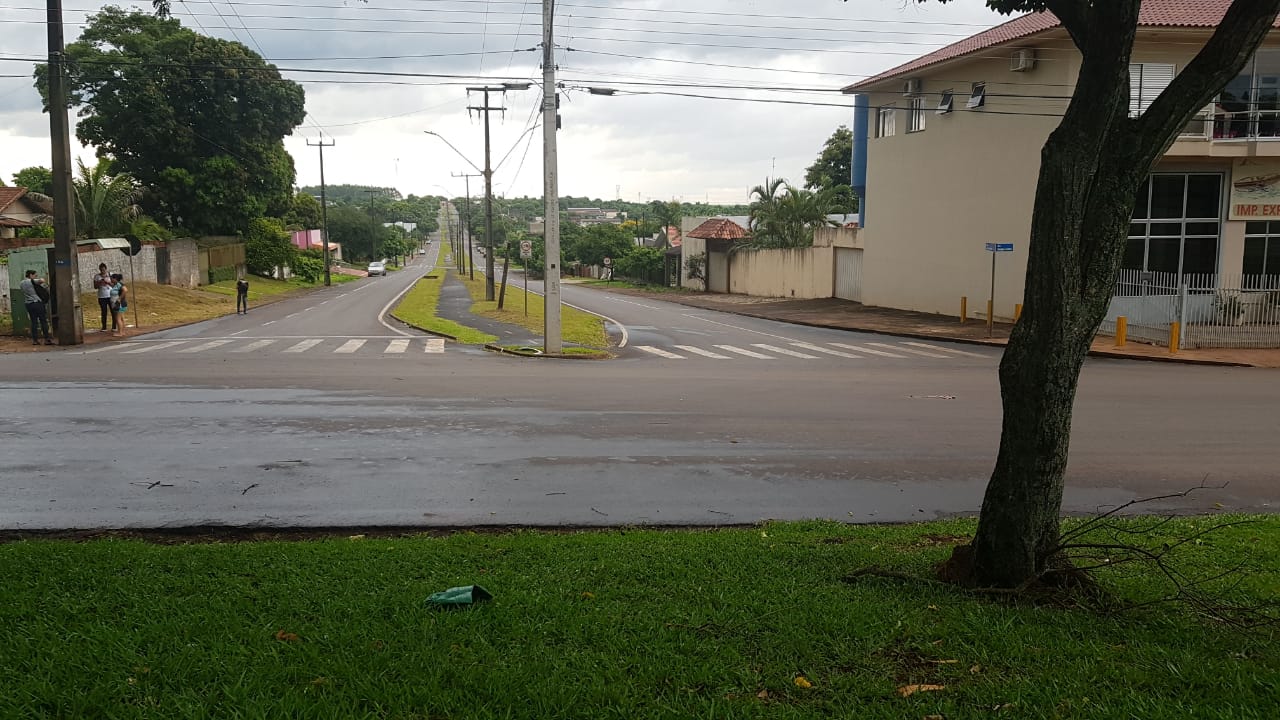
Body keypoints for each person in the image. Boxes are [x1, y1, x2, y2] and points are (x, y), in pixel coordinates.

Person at [19, 269, 53, 346]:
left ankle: (35, 340)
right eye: (35, 275)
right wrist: (42, 280)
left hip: (28, 304)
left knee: (34, 322)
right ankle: (47, 339)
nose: (36, 277)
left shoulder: (21, 283)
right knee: (43, 321)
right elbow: (41, 280)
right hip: (37, 303)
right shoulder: (31, 281)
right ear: (30, 275)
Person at [93, 263, 114, 332]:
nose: (103, 271)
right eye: (101, 270)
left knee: (113, 311)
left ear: (106, 269)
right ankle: (104, 327)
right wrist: (100, 282)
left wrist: (107, 282)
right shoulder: (97, 276)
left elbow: (114, 285)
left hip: (110, 295)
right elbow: (95, 287)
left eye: (104, 270)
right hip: (102, 296)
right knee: (104, 312)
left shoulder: (110, 275)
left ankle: (114, 326)